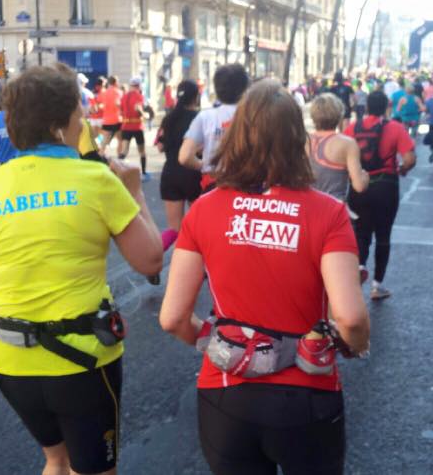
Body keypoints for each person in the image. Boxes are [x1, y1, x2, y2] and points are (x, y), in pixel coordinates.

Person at [0, 65, 163, 475]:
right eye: (80, 115)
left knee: (56, 460)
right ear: (61, 125)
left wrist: (15, 278)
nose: (85, 122)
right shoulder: (95, 178)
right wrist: (135, 193)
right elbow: (150, 260)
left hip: (12, 361)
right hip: (83, 361)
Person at [159, 79, 370, 475]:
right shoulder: (329, 212)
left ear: (236, 137)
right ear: (298, 140)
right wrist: (356, 347)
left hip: (226, 392)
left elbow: (172, 318)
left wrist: (221, 344)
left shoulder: (203, 209)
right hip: (307, 392)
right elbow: (351, 318)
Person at [345, 90, 416, 299]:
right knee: (383, 235)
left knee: (361, 233)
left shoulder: (352, 128)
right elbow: (410, 159)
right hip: (386, 186)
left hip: (359, 186)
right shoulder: (395, 128)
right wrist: (402, 169)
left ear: (366, 107)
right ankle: (377, 285)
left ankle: (358, 271)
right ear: (386, 108)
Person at [179, 63, 250, 192]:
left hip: (213, 185)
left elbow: (185, 156)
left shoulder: (205, 117)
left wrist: (205, 166)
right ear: (245, 89)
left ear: (217, 90)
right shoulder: (254, 117)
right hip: (245, 186)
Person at [156, 80, 203, 251]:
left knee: (174, 229)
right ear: (196, 97)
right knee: (199, 227)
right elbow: (202, 147)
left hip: (170, 174)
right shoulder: (199, 118)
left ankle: (155, 253)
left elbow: (160, 146)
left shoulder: (168, 119)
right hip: (193, 174)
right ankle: (198, 263)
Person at [308, 93, 369, 201]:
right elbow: (359, 186)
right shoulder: (347, 143)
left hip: (307, 206)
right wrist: (365, 177)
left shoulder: (302, 141)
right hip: (334, 206)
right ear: (340, 115)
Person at [118, 77, 149, 181]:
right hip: (137, 127)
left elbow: (120, 110)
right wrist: (144, 114)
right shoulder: (139, 95)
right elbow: (137, 108)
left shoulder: (124, 96)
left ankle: (117, 171)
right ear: (139, 86)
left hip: (126, 126)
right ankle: (143, 173)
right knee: (142, 151)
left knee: (124, 151)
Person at [99, 76, 123, 154]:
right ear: (115, 82)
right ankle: (119, 156)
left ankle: (101, 155)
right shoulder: (119, 92)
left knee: (104, 140)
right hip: (117, 119)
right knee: (120, 139)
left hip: (106, 120)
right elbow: (118, 104)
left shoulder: (103, 92)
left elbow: (100, 105)